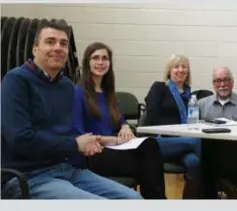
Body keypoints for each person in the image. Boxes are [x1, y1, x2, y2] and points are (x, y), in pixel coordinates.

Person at [1, 21, 141, 199]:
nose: (58, 48)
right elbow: (20, 139)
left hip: (68, 170)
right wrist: (75, 144)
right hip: (30, 177)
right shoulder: (16, 81)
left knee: (134, 200)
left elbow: (65, 134)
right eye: (50, 42)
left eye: (63, 44)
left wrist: (87, 143)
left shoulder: (66, 86)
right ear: (35, 49)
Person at [71, 42, 166, 199]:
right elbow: (79, 136)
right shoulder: (78, 92)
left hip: (114, 149)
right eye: (95, 58)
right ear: (87, 62)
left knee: (151, 145)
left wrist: (125, 127)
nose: (100, 62)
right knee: (148, 164)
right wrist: (114, 140)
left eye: (104, 58)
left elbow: (120, 120)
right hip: (94, 154)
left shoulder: (109, 94)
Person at [144, 54, 203, 199]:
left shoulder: (191, 96)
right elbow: (151, 117)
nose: (180, 70)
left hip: (184, 143)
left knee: (194, 162)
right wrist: (175, 131)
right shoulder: (159, 87)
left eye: (184, 67)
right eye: (176, 66)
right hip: (160, 141)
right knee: (197, 141)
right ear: (169, 70)